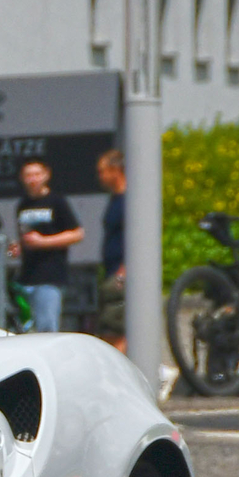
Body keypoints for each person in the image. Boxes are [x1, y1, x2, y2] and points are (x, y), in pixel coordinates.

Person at [9, 156, 83, 335]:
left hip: (50, 276)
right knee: (28, 329)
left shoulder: (57, 202)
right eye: (28, 175)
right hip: (27, 276)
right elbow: (25, 237)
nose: (32, 179)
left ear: (45, 176)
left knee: (47, 328)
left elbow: (77, 234)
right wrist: (19, 246)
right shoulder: (22, 205)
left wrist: (44, 242)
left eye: (36, 174)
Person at [95, 148, 128, 351]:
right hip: (110, 271)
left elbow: (135, 237)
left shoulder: (129, 201)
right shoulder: (114, 200)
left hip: (120, 274)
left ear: (116, 170)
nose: (100, 176)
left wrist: (124, 270)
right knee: (108, 328)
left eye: (103, 171)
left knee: (115, 330)